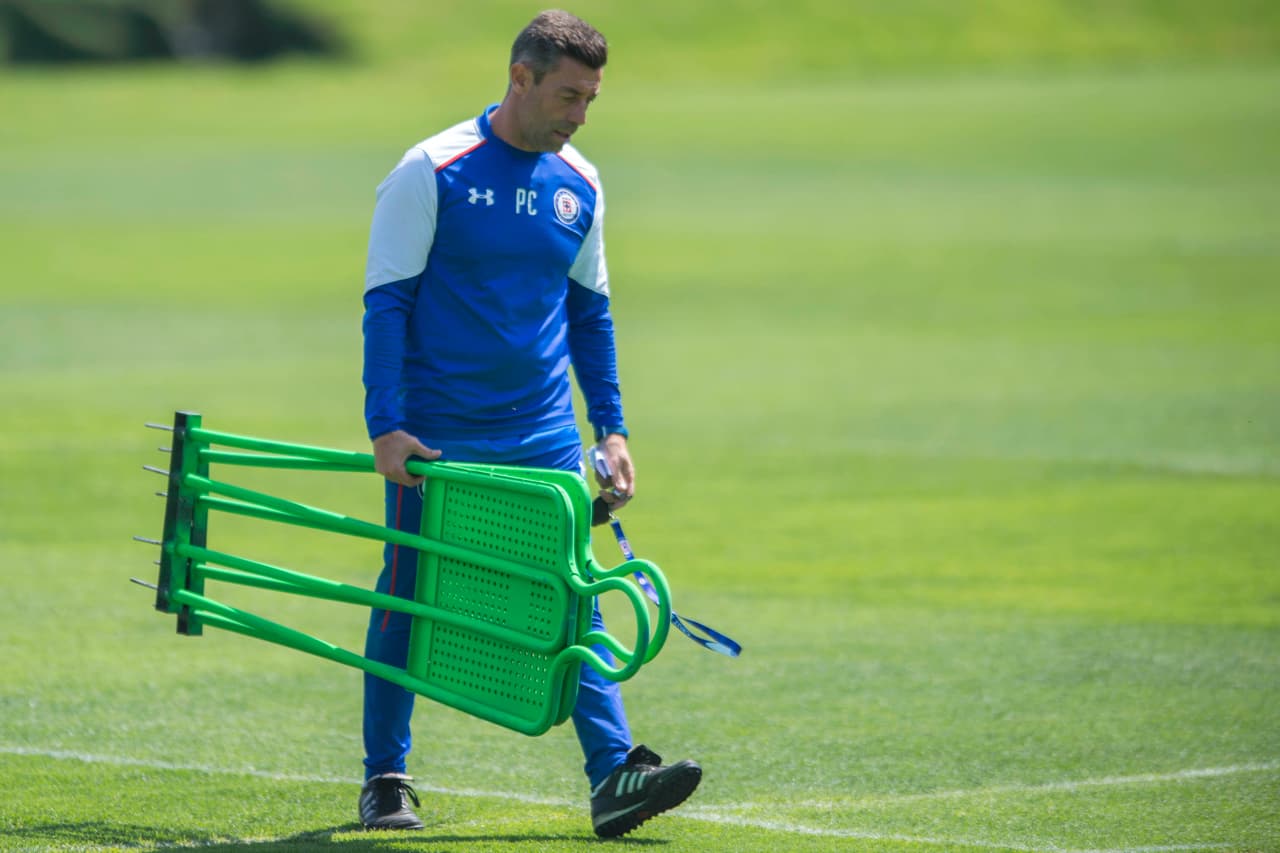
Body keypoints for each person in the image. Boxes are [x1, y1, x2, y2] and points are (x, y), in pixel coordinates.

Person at [357, 9, 701, 839]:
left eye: (591, 99)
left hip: (545, 435)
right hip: (441, 437)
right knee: (410, 595)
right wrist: (386, 427)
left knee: (572, 600)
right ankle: (385, 777)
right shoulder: (429, 170)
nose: (581, 115)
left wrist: (611, 428)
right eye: (570, 96)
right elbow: (386, 304)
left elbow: (591, 316)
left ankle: (613, 774)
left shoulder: (580, 182)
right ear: (521, 78)